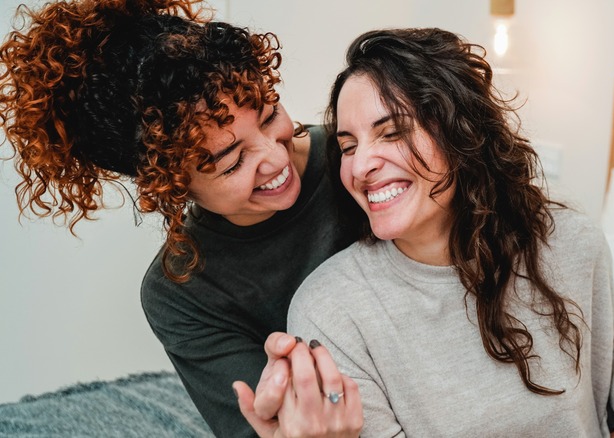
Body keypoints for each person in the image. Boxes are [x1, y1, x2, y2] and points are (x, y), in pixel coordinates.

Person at [248, 28, 614, 437]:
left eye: (392, 132)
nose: (360, 166)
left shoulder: (569, 238)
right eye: (348, 146)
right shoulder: (331, 313)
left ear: (462, 131)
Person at [0, 1, 360, 436]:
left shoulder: (358, 157)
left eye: (269, 116)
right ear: (168, 184)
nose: (275, 155)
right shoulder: (180, 293)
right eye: (231, 162)